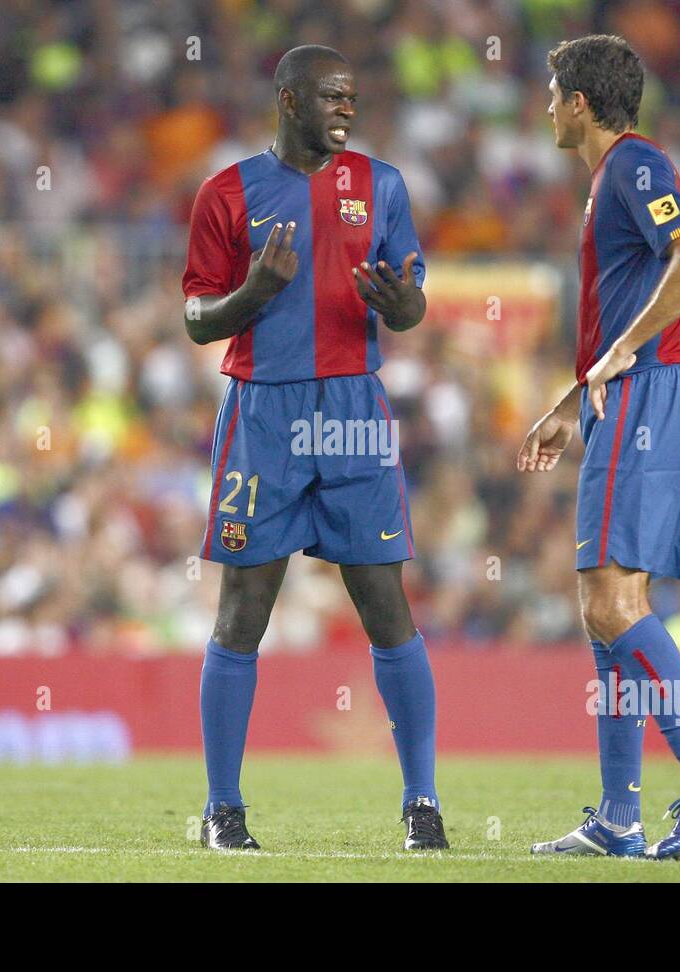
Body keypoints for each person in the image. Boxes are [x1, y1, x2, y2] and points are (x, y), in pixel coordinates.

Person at [182, 45, 446, 851]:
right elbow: (196, 316)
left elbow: (410, 308)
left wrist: (404, 304)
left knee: (386, 607)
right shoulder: (227, 192)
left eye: (353, 98)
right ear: (289, 100)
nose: (347, 109)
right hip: (263, 416)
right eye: (332, 96)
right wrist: (256, 293)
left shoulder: (383, 185)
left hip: (355, 410)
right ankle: (223, 810)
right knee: (243, 612)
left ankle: (422, 806)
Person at [517, 34, 680, 860]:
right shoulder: (610, 180)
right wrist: (569, 399)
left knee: (616, 604)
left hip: (650, 395)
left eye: (552, 93)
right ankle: (620, 817)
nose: (545, 107)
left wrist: (620, 356)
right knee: (604, 607)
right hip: (633, 393)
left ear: (580, 103)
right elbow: (626, 310)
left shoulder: (634, 165)